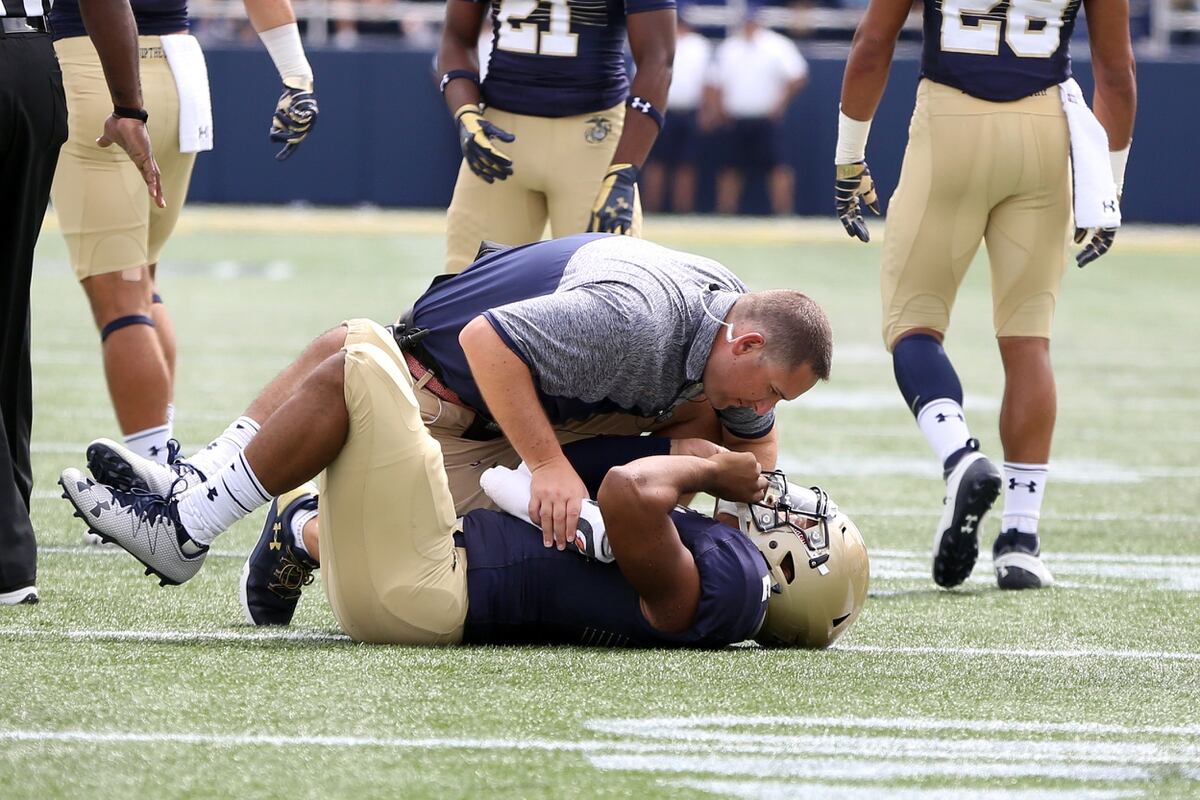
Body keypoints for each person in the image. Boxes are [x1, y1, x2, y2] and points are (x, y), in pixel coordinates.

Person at [80, 233, 833, 622]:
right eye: (769, 386)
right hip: (442, 392)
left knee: (706, 420)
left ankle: (253, 507)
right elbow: (485, 341)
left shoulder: (729, 318)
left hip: (506, 396)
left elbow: (751, 435)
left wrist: (742, 518)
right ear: (748, 342)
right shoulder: (636, 321)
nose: (766, 405)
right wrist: (547, 466)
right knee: (354, 357)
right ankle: (201, 518)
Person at [58, 320, 869, 647]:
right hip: (425, 568)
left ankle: (190, 521)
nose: (790, 508)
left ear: (794, 574)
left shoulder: (730, 587)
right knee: (362, 350)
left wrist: (721, 465)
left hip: (427, 587)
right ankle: (297, 527)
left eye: (808, 530)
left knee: (362, 359)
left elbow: (629, 494)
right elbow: (622, 502)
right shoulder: (714, 576)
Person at [834, 1, 1136, 589]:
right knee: (1029, 340)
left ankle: (959, 455)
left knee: (912, 323)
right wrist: (1109, 185)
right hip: (1045, 132)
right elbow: (1117, 71)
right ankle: (1021, 537)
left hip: (949, 122)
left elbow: (873, 45)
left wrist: (849, 155)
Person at [48, 0, 318, 474]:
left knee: (122, 298)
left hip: (97, 64)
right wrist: (296, 74)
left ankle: (151, 481)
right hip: (180, 71)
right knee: (142, 282)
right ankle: (160, 458)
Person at [1, 0, 162, 606]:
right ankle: (13, 545)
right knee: (10, 309)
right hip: (36, 65)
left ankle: (6, 553)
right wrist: (128, 108)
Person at [435, 0, 675, 273]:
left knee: (608, 290)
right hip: (501, 137)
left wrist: (623, 171)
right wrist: (466, 113)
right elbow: (456, 38)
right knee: (466, 292)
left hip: (592, 140)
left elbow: (658, 59)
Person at [706, 9, 808, 216]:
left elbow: (798, 76)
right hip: (736, 118)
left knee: (778, 167)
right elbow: (714, 82)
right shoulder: (730, 47)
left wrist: (780, 102)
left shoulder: (777, 45)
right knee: (730, 167)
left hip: (765, 119)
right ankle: (726, 213)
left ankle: (783, 213)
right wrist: (718, 110)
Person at [641, 16, 711, 214]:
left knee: (686, 164)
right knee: (656, 163)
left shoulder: (699, 45)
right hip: (661, 110)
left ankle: (683, 210)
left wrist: (707, 110)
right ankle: (652, 209)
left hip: (689, 110)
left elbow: (708, 80)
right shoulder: (655, 41)